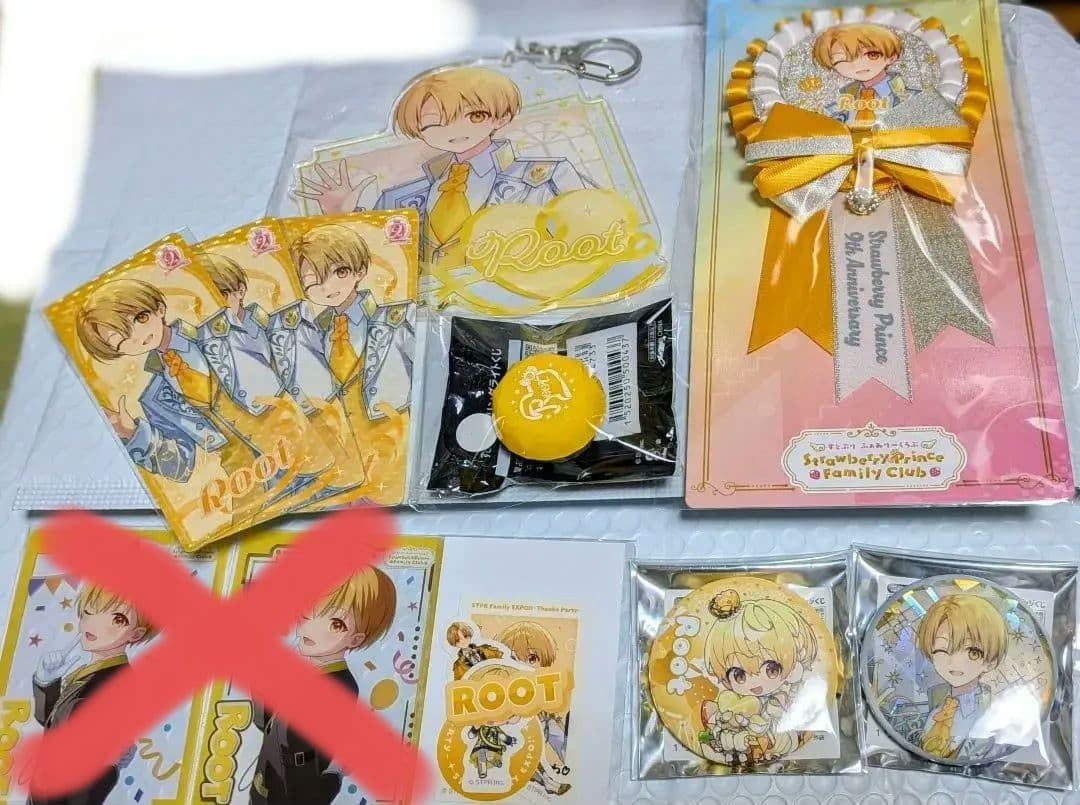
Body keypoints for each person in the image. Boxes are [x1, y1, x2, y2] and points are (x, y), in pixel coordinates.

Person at [295, 66, 591, 267]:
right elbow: (368, 267)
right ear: (418, 131)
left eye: (474, 116)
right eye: (434, 123)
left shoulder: (547, 176)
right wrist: (341, 216)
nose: (454, 130)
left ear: (501, 117)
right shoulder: (399, 199)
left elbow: (593, 238)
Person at [250, 568, 397, 804]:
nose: (312, 627)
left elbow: (306, 760)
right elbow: (269, 723)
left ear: (355, 639)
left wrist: (334, 775)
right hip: (265, 789)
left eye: (336, 624)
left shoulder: (339, 687)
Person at [31, 585, 157, 805]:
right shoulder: (89, 672)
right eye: (89, 611)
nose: (94, 624)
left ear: (136, 634)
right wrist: (46, 681)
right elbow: (53, 723)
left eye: (117, 619)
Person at [699, 589, 819, 765]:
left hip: (777, 738)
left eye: (771, 669)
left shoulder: (786, 697)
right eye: (739, 675)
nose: (755, 683)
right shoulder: (732, 701)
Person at [916, 594, 1008, 759]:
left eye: (972, 652)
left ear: (991, 662)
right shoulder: (936, 712)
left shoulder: (989, 715)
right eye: (942, 650)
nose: (954, 662)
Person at [495, 621, 571, 795]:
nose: (523, 665)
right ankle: (548, 782)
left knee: (559, 737)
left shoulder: (542, 686)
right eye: (513, 659)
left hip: (543, 727)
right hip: (518, 741)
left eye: (531, 659)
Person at [812, 24, 916, 125]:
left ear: (892, 57)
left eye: (871, 54)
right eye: (842, 60)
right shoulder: (846, 97)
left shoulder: (906, 96)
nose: (857, 65)